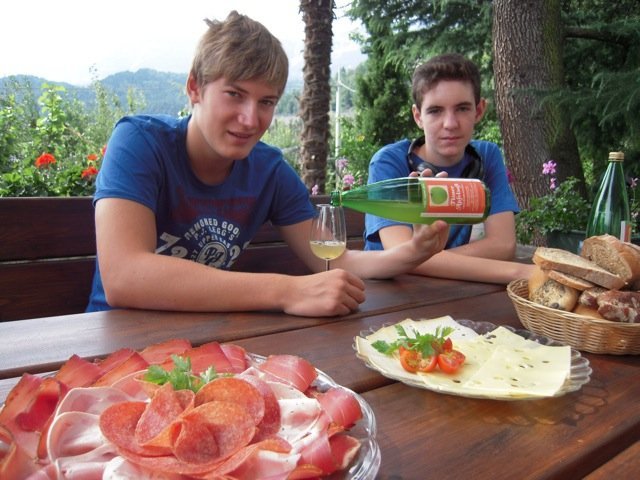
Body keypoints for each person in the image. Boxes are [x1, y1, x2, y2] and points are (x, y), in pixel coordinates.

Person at [86, 11, 449, 318]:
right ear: (195, 88)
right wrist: (285, 291)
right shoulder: (139, 142)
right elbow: (125, 275)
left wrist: (412, 253)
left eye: (266, 102)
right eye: (235, 95)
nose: (250, 119)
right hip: (115, 346)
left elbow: (335, 260)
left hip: (203, 346)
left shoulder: (268, 170)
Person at [364, 53, 534, 283]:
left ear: (479, 110)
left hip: (454, 292)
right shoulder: (388, 163)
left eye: (462, 108)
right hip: (389, 298)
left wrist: (425, 261)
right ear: (418, 116)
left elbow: (503, 245)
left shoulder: (486, 156)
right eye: (435, 111)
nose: (450, 124)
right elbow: (398, 253)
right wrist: (520, 273)